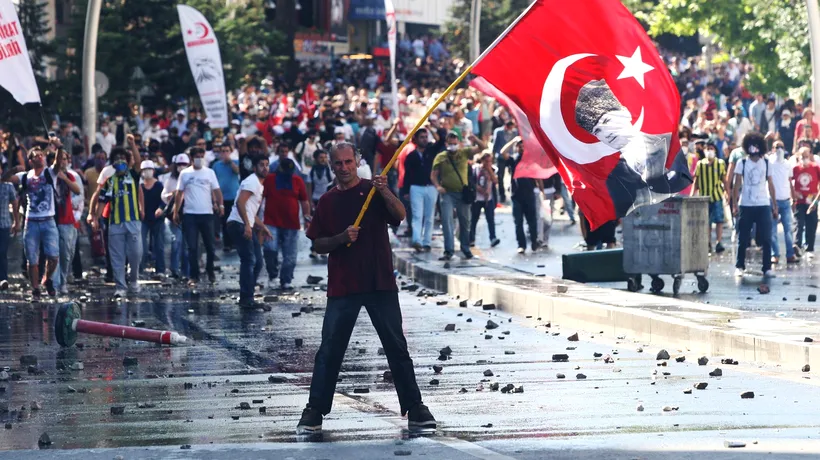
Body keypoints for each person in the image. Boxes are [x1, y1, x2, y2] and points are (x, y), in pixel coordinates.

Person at [297, 142, 435, 435]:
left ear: (356, 162)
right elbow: (318, 243)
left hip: (379, 282)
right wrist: (340, 238)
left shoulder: (372, 191)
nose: (344, 168)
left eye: (349, 162)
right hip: (343, 285)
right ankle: (314, 410)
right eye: (338, 164)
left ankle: (415, 407)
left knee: (397, 347)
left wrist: (384, 190)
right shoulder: (327, 201)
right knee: (329, 350)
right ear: (331, 166)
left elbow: (399, 215)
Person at [6, 143, 78, 298]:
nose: (40, 157)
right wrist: (13, 169)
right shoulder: (25, 176)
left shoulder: (49, 173)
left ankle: (47, 279)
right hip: (31, 222)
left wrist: (59, 147)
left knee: (54, 257)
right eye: (36, 155)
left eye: (42, 155)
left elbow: (58, 163)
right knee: (32, 259)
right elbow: (4, 179)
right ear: (30, 160)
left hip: (48, 221)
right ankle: (35, 288)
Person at [92, 147, 143, 298]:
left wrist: (133, 144)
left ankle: (133, 280)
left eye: (123, 158)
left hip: (133, 222)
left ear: (128, 162)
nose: (119, 161)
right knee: (116, 257)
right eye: (116, 159)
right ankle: (120, 287)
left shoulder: (133, 176)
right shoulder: (110, 182)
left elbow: (139, 162)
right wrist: (95, 218)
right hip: (115, 224)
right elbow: (102, 201)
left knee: (136, 253)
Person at [431, 133, 485, 260]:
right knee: (447, 221)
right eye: (450, 143)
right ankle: (448, 251)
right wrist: (438, 186)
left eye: (455, 143)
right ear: (446, 144)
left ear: (459, 143)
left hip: (463, 193)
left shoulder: (464, 152)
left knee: (465, 222)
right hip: (447, 193)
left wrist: (475, 139)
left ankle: (465, 248)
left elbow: (483, 147)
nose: (452, 146)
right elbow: (433, 175)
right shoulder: (441, 157)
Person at [173, 147, 223, 286]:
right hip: (190, 214)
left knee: (210, 247)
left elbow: (217, 190)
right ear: (191, 157)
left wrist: (221, 205)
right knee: (192, 248)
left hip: (207, 214)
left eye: (201, 154)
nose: (199, 157)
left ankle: (210, 270)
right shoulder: (185, 173)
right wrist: (176, 211)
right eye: (196, 155)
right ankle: (194, 275)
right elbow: (179, 193)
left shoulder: (209, 172)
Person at [228, 156, 272, 307]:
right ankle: (246, 299)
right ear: (255, 168)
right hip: (238, 223)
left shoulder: (259, 185)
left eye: (267, 165)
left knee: (258, 262)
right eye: (261, 165)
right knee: (249, 260)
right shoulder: (252, 181)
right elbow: (240, 203)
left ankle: (248, 296)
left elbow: (250, 211)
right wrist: (247, 225)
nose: (265, 168)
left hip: (244, 223)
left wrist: (262, 227)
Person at [732, 132, 778, 277]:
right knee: (743, 237)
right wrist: (734, 204)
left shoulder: (766, 163)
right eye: (751, 146)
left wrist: (774, 205)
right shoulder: (742, 162)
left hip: (763, 204)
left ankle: (767, 267)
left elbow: (770, 184)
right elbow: (736, 184)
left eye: (756, 146)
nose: (754, 149)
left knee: (766, 237)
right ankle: (740, 266)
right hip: (746, 204)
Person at [262, 156, 310, 290]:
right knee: (270, 249)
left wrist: (307, 218)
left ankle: (286, 280)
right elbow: (260, 198)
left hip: (292, 224)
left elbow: (304, 201)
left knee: (290, 256)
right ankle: (272, 275)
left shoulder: (297, 180)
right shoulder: (270, 179)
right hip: (271, 221)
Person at [402, 129, 439, 252]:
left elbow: (441, 141)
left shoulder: (431, 151)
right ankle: (417, 240)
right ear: (416, 139)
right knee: (417, 215)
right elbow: (407, 174)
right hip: (416, 187)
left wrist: (433, 128)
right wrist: (406, 191)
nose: (424, 139)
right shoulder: (411, 156)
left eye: (425, 136)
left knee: (429, 216)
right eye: (422, 137)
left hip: (431, 187)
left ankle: (427, 242)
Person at [52, 149, 81, 295]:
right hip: (51, 220)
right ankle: (54, 284)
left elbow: (77, 190)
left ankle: (62, 282)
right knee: (52, 254)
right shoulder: (49, 175)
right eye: (60, 159)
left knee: (66, 254)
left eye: (65, 159)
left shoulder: (69, 175)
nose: (63, 161)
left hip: (67, 221)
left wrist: (65, 179)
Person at [690, 141, 727, 254]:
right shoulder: (700, 164)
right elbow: (696, 181)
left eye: (712, 148)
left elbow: (724, 180)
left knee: (719, 221)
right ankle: (708, 243)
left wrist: (727, 193)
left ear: (715, 151)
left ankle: (718, 242)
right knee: (706, 222)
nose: (710, 150)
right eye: (708, 148)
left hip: (717, 196)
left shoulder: (720, 163)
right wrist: (692, 195)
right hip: (704, 197)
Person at [508, 140, 541, 254]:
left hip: (529, 194)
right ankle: (521, 245)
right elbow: (502, 153)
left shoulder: (530, 159)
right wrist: (513, 141)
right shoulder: (513, 159)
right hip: (516, 196)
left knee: (532, 221)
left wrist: (541, 190)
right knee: (518, 222)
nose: (521, 148)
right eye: (519, 146)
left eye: (523, 146)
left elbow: (538, 175)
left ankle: (534, 241)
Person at [767, 141, 797, 264]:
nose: (779, 149)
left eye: (781, 147)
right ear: (772, 149)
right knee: (773, 230)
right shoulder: (769, 162)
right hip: (772, 200)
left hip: (785, 200)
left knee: (788, 229)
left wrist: (793, 198)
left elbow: (790, 181)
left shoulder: (787, 164)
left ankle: (790, 254)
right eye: (776, 147)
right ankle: (775, 254)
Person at [163, 154, 190, 279]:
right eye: (179, 165)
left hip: (188, 214)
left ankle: (187, 271)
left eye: (184, 164)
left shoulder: (191, 177)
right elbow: (163, 195)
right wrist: (171, 195)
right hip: (174, 216)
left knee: (187, 246)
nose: (181, 167)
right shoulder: (171, 180)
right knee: (176, 243)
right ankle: (174, 269)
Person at [212, 143, 240, 253]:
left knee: (235, 221)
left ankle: (236, 242)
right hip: (222, 197)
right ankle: (227, 244)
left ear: (230, 151)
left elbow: (237, 171)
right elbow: (213, 182)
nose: (224, 153)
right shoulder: (216, 165)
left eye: (227, 151)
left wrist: (230, 162)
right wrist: (215, 199)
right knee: (224, 222)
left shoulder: (235, 163)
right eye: (222, 151)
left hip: (234, 196)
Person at [139, 160, 166, 275]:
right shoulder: (139, 186)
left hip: (157, 219)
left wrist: (160, 208)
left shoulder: (159, 185)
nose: (147, 172)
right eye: (145, 170)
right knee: (141, 246)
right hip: (143, 219)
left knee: (158, 246)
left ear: (154, 171)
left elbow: (164, 200)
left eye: (149, 169)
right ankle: (139, 269)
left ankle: (160, 270)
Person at [469, 152, 500, 248]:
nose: (488, 163)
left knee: (490, 219)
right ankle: (471, 238)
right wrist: (478, 188)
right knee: (474, 219)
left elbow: (495, 181)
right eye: (486, 161)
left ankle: (493, 238)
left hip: (488, 198)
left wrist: (489, 170)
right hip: (477, 199)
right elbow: (471, 182)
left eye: (490, 161)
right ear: (482, 161)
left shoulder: (493, 169)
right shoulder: (476, 169)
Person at [797, 147, 820, 256]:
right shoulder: (795, 169)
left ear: (810, 156)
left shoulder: (815, 167)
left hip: (812, 202)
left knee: (812, 224)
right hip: (799, 202)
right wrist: (793, 194)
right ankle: (797, 245)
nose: (804, 159)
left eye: (806, 156)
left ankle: (809, 247)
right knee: (799, 224)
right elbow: (788, 182)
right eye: (802, 156)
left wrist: (815, 201)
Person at [0, 163, 20, 290]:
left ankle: (3, 279)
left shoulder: (8, 187)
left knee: (2, 252)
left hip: (4, 224)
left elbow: (14, 204)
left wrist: (16, 222)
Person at [492, 120, 517, 203]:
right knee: (500, 176)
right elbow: (495, 144)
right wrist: (493, 154)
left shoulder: (515, 132)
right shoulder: (499, 132)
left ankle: (512, 190)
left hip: (511, 156)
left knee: (513, 175)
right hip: (500, 157)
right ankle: (502, 194)